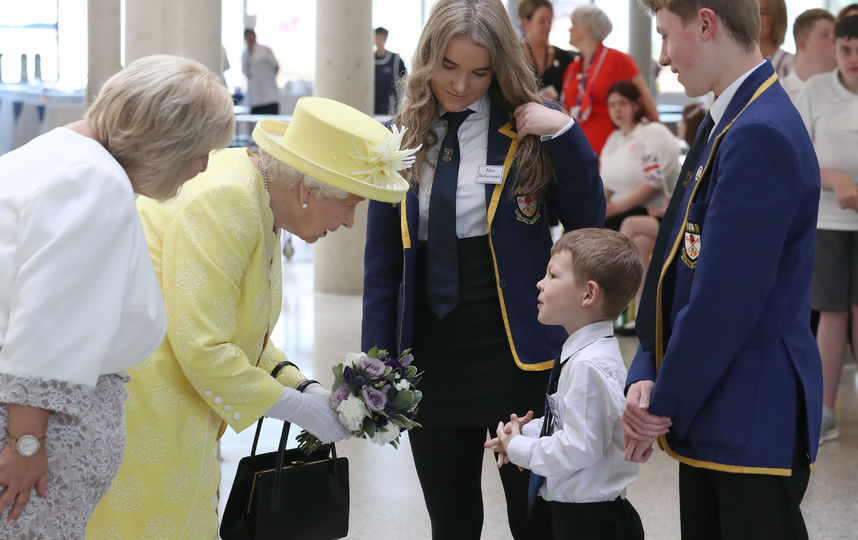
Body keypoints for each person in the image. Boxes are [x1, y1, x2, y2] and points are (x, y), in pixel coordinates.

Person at [87, 97, 414, 539]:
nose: (350, 222)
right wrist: (297, 409)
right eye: (350, 204)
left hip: (178, 396)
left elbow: (242, 330)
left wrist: (302, 384)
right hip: (148, 400)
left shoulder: (262, 197)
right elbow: (204, 346)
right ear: (308, 190)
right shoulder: (230, 200)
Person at [360, 0, 605, 538]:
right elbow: (382, 267)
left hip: (513, 352)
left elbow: (589, 220)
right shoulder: (397, 137)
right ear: (427, 59)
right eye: (448, 66)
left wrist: (564, 132)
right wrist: (374, 362)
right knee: (451, 520)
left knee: (533, 516)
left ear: (500, 68)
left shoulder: (526, 130)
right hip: (430, 353)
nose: (461, 85)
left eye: (479, 72)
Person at [0, 55, 234, 538]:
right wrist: (26, 444)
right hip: (34, 440)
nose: (203, 167)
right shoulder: (96, 182)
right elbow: (47, 325)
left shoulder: (58, 152)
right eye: (200, 151)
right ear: (168, 141)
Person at [623, 2, 822, 539]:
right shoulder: (731, 117)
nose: (662, 57)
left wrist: (660, 405)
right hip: (717, 402)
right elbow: (674, 261)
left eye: (666, 36)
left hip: (751, 412)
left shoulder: (761, 131)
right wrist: (645, 366)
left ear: (706, 24)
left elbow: (722, 303)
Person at [486, 228, 644, 540]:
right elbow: (576, 421)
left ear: (588, 294)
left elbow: (579, 448)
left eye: (552, 275)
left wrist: (520, 448)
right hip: (578, 516)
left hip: (593, 523)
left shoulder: (588, 365)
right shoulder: (582, 353)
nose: (540, 283)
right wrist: (523, 431)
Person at [794, 15, 858, 445]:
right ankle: (825, 409)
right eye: (846, 49)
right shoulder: (815, 91)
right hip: (829, 220)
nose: (852, 59)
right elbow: (798, 157)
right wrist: (835, 179)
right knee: (832, 314)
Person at [617, 101, 704, 334]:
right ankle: (645, 309)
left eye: (684, 121)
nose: (679, 124)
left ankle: (617, 290)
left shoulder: (697, 157)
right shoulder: (692, 154)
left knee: (630, 224)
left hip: (685, 226)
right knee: (641, 242)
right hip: (672, 219)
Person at [561, 4, 659, 156]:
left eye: (573, 24)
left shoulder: (618, 60)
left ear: (587, 28)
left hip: (612, 154)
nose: (569, 29)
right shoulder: (572, 68)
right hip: (577, 152)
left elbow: (648, 105)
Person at [600, 80, 680, 231]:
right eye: (612, 105)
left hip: (646, 210)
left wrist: (615, 208)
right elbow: (606, 186)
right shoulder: (614, 139)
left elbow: (653, 183)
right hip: (616, 210)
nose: (617, 109)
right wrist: (598, 209)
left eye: (622, 103)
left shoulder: (652, 132)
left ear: (636, 104)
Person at [517, 0, 576, 101]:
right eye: (542, 21)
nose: (548, 26)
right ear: (525, 22)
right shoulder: (513, 57)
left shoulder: (565, 58)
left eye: (550, 20)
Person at [781, 9, 836, 103]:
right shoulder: (778, 93)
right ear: (802, 44)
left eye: (836, 36)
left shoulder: (848, 91)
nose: (835, 41)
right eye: (826, 35)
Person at [242, 28, 280, 114]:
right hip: (255, 98)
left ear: (255, 36)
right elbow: (245, 72)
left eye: (251, 36)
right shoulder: (245, 54)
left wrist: (268, 79)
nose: (249, 39)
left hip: (269, 96)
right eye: (247, 37)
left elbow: (276, 67)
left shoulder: (265, 50)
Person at [375, 26, 408, 115]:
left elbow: (405, 80)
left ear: (385, 39)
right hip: (371, 107)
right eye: (376, 38)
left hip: (390, 110)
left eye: (381, 39)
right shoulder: (367, 60)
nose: (378, 42)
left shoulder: (396, 60)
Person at [759, 0, 795, 78]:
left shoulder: (788, 62)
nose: (753, 18)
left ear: (777, 19)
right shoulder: (735, 59)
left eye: (761, 13)